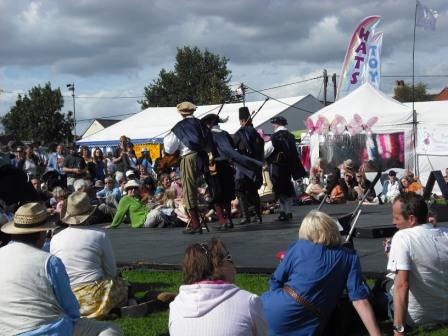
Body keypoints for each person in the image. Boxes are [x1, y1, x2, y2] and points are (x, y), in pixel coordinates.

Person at [0, 202, 123, 336]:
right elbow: (72, 310)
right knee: (110, 329)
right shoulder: (49, 261)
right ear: (42, 233)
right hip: (47, 330)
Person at [261, 211, 381, 336]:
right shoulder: (349, 257)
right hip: (309, 318)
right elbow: (359, 299)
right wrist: (376, 334)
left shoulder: (298, 247)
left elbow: (275, 281)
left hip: (269, 308)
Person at [50, 192, 128, 319]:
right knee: (122, 283)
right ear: (89, 214)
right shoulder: (99, 235)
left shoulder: (55, 238)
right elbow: (111, 271)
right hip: (94, 294)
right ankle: (116, 307)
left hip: (66, 298)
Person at [169, 238, 268, 335]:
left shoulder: (175, 306)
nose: (233, 265)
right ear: (218, 266)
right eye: (228, 258)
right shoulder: (248, 302)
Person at [385, 194, 448, 332]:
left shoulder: (402, 237)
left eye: (396, 218)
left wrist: (398, 330)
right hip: (444, 312)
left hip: (417, 318)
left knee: (381, 290)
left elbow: (402, 286)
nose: (393, 222)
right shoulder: (445, 233)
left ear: (412, 219)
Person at [201, 113, 262, 230]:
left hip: (214, 168)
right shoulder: (225, 134)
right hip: (226, 167)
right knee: (227, 195)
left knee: (216, 195)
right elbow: (233, 146)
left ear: (208, 124)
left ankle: (223, 221)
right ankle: (229, 220)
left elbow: (206, 152)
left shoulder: (208, 136)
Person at [163, 101, 209, 234]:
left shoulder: (180, 127)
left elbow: (169, 148)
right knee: (200, 188)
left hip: (188, 158)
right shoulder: (201, 123)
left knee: (189, 191)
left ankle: (196, 225)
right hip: (202, 158)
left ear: (181, 113)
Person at [264, 116, 306, 221]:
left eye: (273, 124)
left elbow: (266, 151)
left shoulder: (274, 137)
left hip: (277, 167)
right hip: (288, 167)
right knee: (286, 188)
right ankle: (286, 211)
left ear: (277, 124)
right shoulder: (291, 136)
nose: (273, 126)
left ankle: (285, 211)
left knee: (279, 190)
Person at [233, 106, 265, 224]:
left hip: (243, 168)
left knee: (240, 190)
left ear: (242, 120)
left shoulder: (242, 133)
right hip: (255, 167)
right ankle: (258, 216)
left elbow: (234, 145)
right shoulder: (256, 133)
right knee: (253, 191)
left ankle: (246, 216)